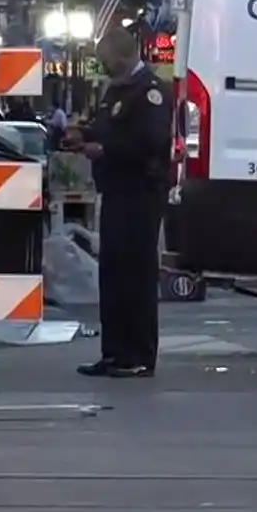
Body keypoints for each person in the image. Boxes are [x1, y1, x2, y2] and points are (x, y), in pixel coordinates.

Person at [69, 26, 172, 378]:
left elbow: (153, 142)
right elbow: (104, 126)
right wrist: (82, 135)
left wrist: (107, 149)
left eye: (105, 59)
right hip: (113, 191)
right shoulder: (115, 90)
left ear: (123, 54)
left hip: (140, 193)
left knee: (136, 275)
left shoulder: (151, 93)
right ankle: (114, 352)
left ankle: (139, 354)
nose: (102, 65)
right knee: (112, 273)